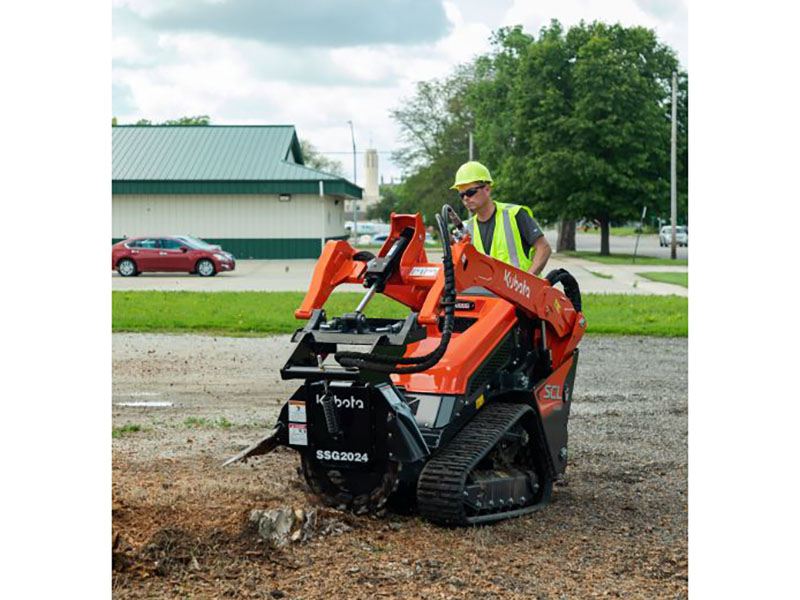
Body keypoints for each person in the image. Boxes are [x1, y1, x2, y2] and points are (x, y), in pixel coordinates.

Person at [450, 161, 551, 276]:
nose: (466, 198)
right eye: (462, 195)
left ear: (487, 189)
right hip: (484, 293)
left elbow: (544, 248)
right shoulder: (467, 228)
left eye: (470, 192)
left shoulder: (514, 214)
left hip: (520, 291)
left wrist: (529, 281)